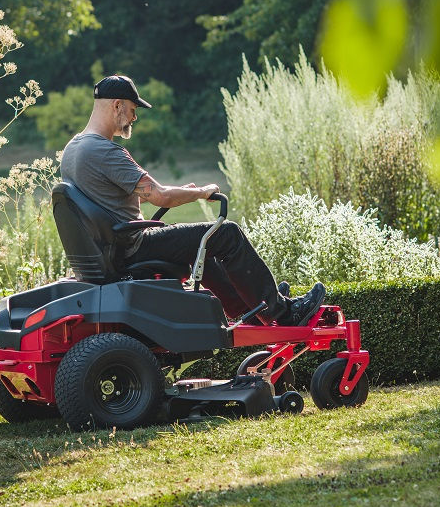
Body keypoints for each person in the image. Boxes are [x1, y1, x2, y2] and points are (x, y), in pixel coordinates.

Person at [60, 73, 326, 326]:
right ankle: (285, 313)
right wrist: (202, 192)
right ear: (117, 105)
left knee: (200, 244)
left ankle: (251, 309)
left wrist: (180, 192)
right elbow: (160, 195)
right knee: (227, 234)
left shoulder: (73, 149)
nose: (134, 117)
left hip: (111, 250)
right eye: (132, 109)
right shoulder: (106, 151)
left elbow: (108, 201)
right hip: (132, 247)